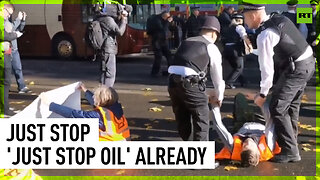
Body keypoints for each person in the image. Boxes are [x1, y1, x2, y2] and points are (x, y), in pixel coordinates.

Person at [242, 2, 315, 163]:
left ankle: (290, 151)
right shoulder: (278, 18)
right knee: (291, 106)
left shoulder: (265, 34)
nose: (245, 23)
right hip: (308, 63)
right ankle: (290, 142)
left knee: (277, 107)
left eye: (245, 18)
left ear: (253, 15)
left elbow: (266, 70)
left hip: (296, 69)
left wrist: (262, 94)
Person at [168, 16, 225, 141]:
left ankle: (189, 149)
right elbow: (217, 77)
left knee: (182, 118)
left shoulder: (186, 42)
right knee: (201, 119)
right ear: (215, 33)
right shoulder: (210, 46)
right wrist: (219, 96)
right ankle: (201, 157)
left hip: (172, 82)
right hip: (190, 83)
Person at [40, 83, 130, 141]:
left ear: (100, 101)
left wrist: (50, 104)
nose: (94, 97)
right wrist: (85, 90)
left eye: (95, 96)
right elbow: (99, 104)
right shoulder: (115, 107)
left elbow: (73, 114)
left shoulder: (98, 116)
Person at [213, 93, 281, 167]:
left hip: (242, 124)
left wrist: (214, 105)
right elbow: (270, 121)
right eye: (250, 145)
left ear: (241, 151)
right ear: (258, 151)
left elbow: (218, 126)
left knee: (239, 97)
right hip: (261, 122)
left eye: (244, 146)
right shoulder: (268, 146)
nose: (247, 142)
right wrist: (261, 103)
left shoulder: (233, 147)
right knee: (272, 98)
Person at [96, 4, 129, 87]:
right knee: (110, 74)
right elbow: (120, 32)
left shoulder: (99, 18)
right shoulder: (108, 20)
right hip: (108, 49)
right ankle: (106, 95)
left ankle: (101, 94)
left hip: (102, 48)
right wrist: (124, 19)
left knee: (104, 72)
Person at [0, 1, 23, 117]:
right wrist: (15, 35)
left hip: (6, 53)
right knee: (5, 82)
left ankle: (4, 108)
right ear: (3, 9)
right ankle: (4, 109)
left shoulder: (4, 21)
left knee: (5, 83)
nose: (9, 16)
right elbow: (3, 35)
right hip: (3, 55)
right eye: (8, 13)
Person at [223, 14, 253, 89]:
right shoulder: (239, 27)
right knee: (239, 67)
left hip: (227, 49)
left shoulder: (228, 28)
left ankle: (243, 81)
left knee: (235, 67)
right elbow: (244, 36)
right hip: (235, 49)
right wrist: (250, 46)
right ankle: (228, 83)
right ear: (240, 20)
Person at [4, 9, 30, 93]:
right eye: (8, 13)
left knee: (18, 68)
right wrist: (18, 19)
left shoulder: (9, 20)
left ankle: (21, 87)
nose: (9, 15)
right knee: (6, 71)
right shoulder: (3, 21)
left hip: (14, 49)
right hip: (6, 50)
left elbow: (19, 29)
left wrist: (23, 20)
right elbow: (10, 29)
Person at [148, 11, 173, 77]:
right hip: (157, 41)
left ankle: (171, 71)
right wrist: (168, 22)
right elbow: (162, 29)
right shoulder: (156, 20)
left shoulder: (163, 20)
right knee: (158, 57)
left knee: (169, 55)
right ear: (164, 15)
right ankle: (154, 72)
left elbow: (166, 28)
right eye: (167, 17)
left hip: (163, 41)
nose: (167, 18)